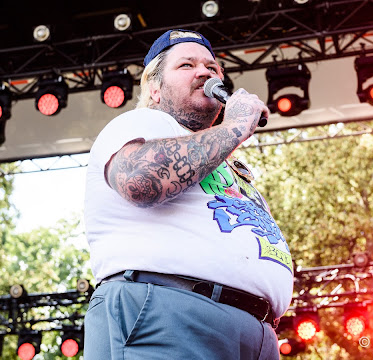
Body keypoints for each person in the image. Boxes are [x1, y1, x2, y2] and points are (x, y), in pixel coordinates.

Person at [83, 29, 294, 360]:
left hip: (256, 332)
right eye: (186, 65)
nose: (204, 72)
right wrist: (235, 127)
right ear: (154, 88)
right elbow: (140, 178)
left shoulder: (225, 157)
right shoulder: (140, 124)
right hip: (170, 313)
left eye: (212, 67)